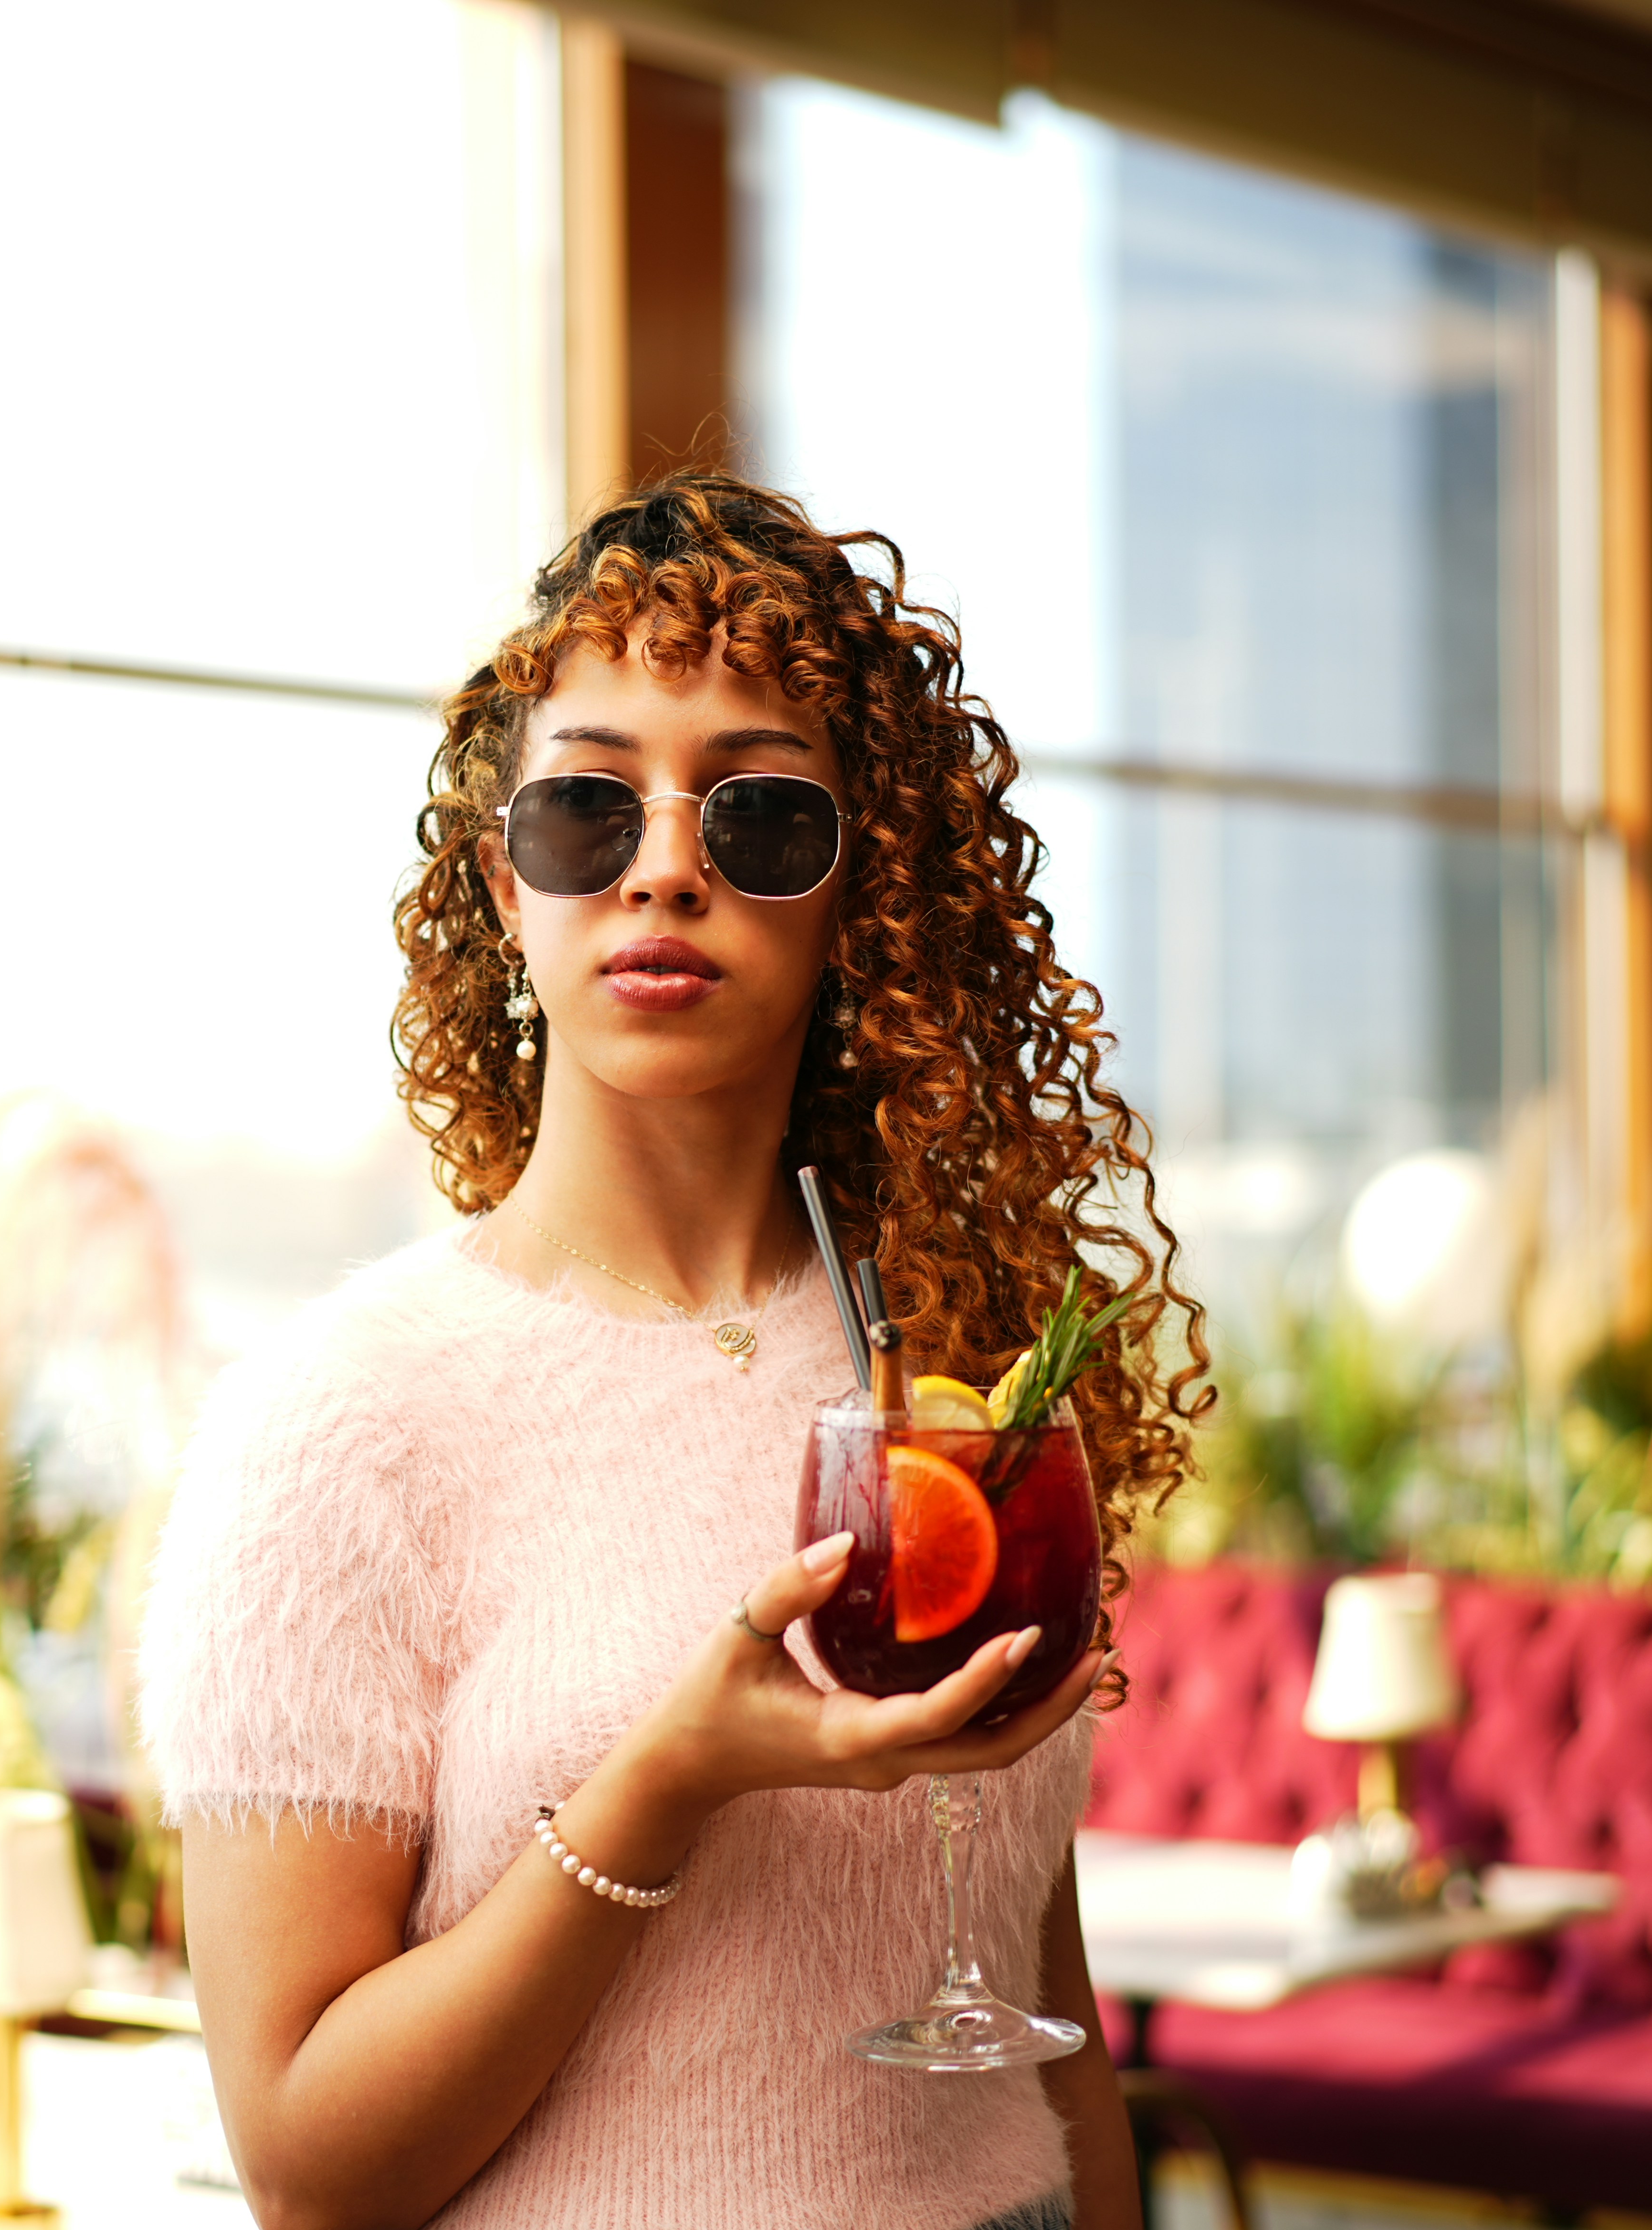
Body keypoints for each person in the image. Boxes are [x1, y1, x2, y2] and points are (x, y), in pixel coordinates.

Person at [137, 476, 1204, 2230]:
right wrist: (671, 1777)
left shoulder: (949, 1379)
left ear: (861, 892)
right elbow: (312, 2176)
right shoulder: (340, 1424)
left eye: (762, 817)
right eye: (586, 807)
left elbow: (1037, 2003)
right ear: (505, 882)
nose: (663, 868)